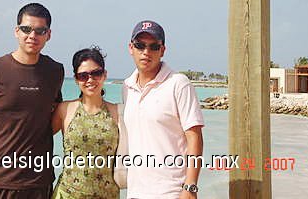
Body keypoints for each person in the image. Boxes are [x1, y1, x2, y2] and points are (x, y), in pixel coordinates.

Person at [0, 3, 64, 199]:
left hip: (39, 182)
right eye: (26, 29)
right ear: (16, 31)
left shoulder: (55, 71)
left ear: (48, 35)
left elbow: (55, 117)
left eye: (40, 30)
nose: (32, 35)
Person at [123, 21, 204, 199]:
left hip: (172, 192)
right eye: (140, 45)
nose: (146, 52)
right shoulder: (127, 87)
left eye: (153, 46)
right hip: (135, 192)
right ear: (131, 48)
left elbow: (194, 136)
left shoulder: (179, 83)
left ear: (162, 50)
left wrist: (190, 187)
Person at [51, 47, 120, 199]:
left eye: (96, 73)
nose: (90, 80)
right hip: (68, 194)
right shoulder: (65, 109)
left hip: (107, 195)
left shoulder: (117, 111)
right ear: (76, 79)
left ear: (105, 75)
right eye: (83, 76)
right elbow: (38, 139)